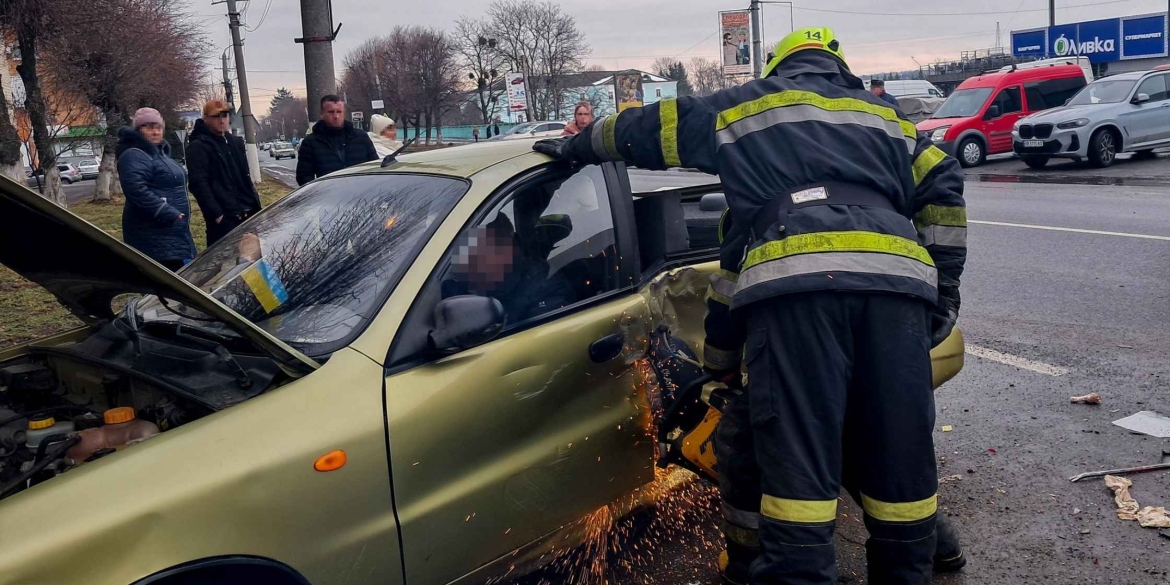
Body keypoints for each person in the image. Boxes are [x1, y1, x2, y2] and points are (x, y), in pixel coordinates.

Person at [533, 26, 967, 585]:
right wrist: (940, 293)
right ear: (840, 68)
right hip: (896, 295)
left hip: (797, 301)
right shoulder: (887, 120)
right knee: (899, 458)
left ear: (776, 66)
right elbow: (945, 187)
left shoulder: (747, 107)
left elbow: (648, 128)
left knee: (799, 471)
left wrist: (577, 142)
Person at [116, 107, 197, 271]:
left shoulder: (160, 154)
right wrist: (164, 211)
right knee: (172, 284)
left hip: (173, 230)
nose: (155, 132)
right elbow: (136, 190)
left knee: (182, 281)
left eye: (158, 127)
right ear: (139, 130)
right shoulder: (135, 154)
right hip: (153, 232)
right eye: (149, 127)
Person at [186, 100, 262, 246]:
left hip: (248, 213)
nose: (222, 120)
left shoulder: (235, 142)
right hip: (225, 220)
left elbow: (244, 176)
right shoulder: (198, 147)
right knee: (225, 266)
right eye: (216, 116)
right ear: (206, 119)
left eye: (225, 115)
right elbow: (198, 184)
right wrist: (217, 215)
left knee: (252, 262)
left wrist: (254, 202)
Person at [295, 95, 377, 185]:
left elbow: (375, 167)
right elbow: (304, 176)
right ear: (322, 114)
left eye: (339, 112)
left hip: (361, 194)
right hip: (329, 194)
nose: (336, 116)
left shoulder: (361, 138)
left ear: (344, 113)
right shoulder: (311, 143)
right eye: (331, 112)